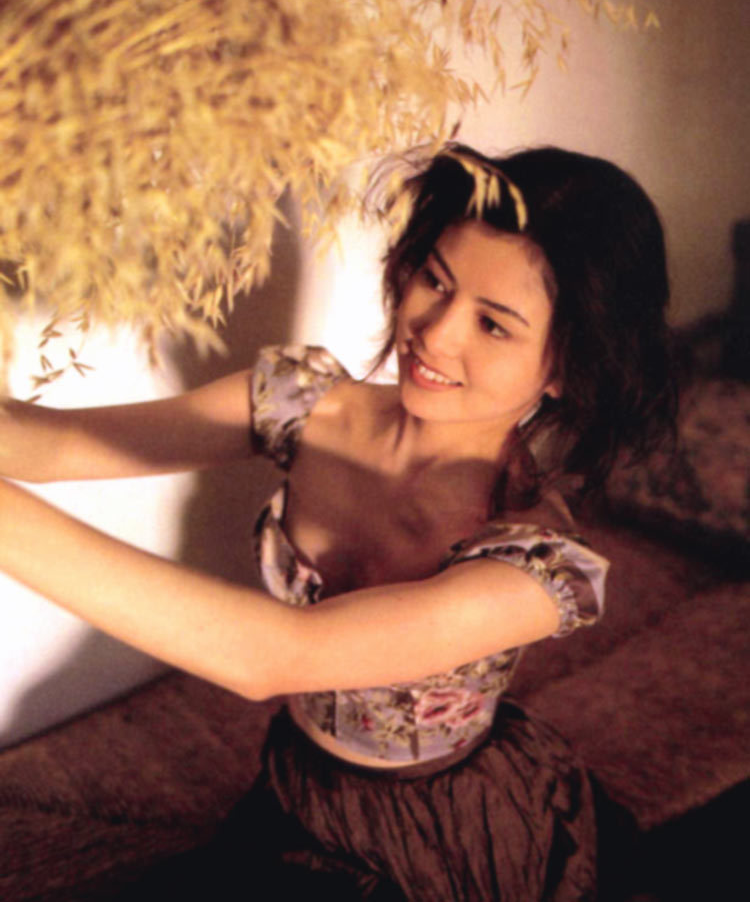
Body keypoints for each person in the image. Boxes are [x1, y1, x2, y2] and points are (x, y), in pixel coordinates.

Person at [0, 144, 675, 900]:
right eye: (435, 280)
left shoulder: (535, 568)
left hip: (439, 841)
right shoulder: (300, 403)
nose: (435, 333)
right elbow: (55, 444)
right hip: (297, 788)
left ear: (566, 368)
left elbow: (275, 656)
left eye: (493, 325)